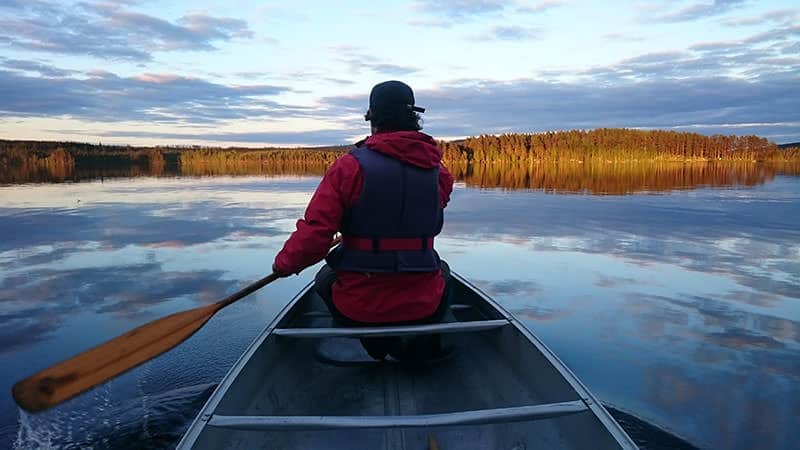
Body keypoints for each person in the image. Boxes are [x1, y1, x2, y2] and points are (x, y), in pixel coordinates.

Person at [272, 80, 454, 360]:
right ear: (414, 117)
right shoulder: (438, 172)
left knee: (323, 277)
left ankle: (373, 342)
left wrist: (284, 265)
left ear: (372, 117)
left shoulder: (349, 166)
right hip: (425, 303)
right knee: (442, 269)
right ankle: (417, 339)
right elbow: (419, 214)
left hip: (358, 307)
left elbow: (314, 236)